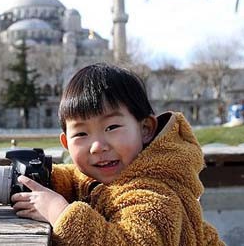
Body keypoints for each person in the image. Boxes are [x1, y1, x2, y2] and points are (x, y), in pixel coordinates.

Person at [11, 63, 224, 245]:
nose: (97, 146)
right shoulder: (110, 175)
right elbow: (79, 180)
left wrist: (59, 213)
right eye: (82, 133)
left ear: (145, 129)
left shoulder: (156, 196)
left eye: (111, 127)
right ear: (66, 143)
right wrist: (41, 177)